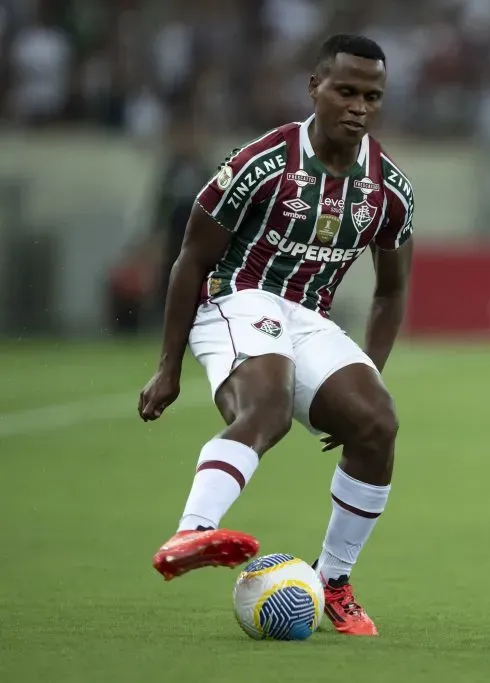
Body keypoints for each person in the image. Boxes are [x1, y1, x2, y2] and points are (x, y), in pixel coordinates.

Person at [137, 34, 415, 638]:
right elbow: (189, 259)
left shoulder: (388, 189)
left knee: (377, 423)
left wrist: (367, 374)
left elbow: (392, 290)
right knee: (267, 411)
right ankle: (192, 530)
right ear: (314, 87)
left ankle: (334, 581)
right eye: (345, 90)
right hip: (236, 298)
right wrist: (168, 366)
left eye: (372, 96)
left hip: (310, 316)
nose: (358, 107)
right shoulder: (259, 163)